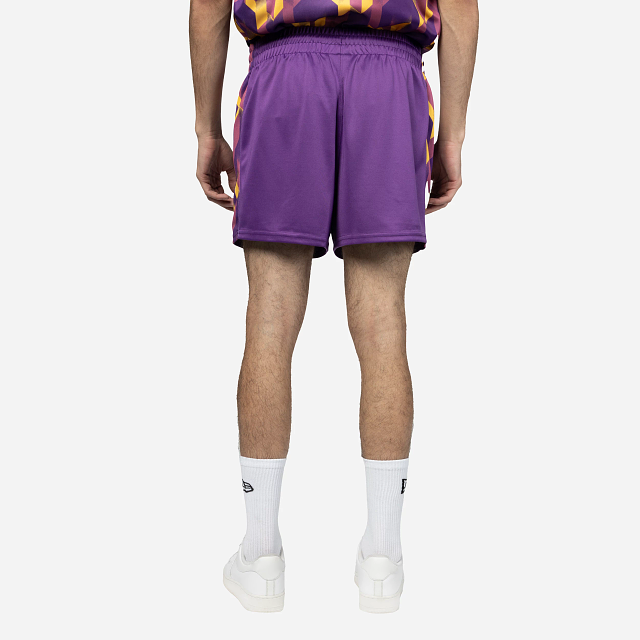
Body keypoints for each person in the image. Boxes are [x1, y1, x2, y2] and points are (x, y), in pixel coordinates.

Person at [189, 0, 478, 613]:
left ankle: (261, 557)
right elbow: (460, 5)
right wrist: (451, 136)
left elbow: (208, 5)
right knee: (383, 328)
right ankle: (383, 559)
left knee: (269, 324)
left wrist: (207, 130)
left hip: (284, 75)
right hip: (390, 81)